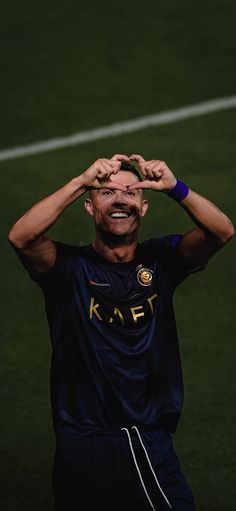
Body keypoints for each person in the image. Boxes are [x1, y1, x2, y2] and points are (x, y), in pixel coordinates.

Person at [8, 153, 234, 511]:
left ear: (143, 208)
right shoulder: (67, 269)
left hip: (143, 437)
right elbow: (21, 236)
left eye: (130, 193)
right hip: (80, 444)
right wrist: (82, 179)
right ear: (89, 205)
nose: (119, 200)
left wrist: (175, 187)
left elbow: (221, 231)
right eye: (106, 192)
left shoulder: (161, 261)